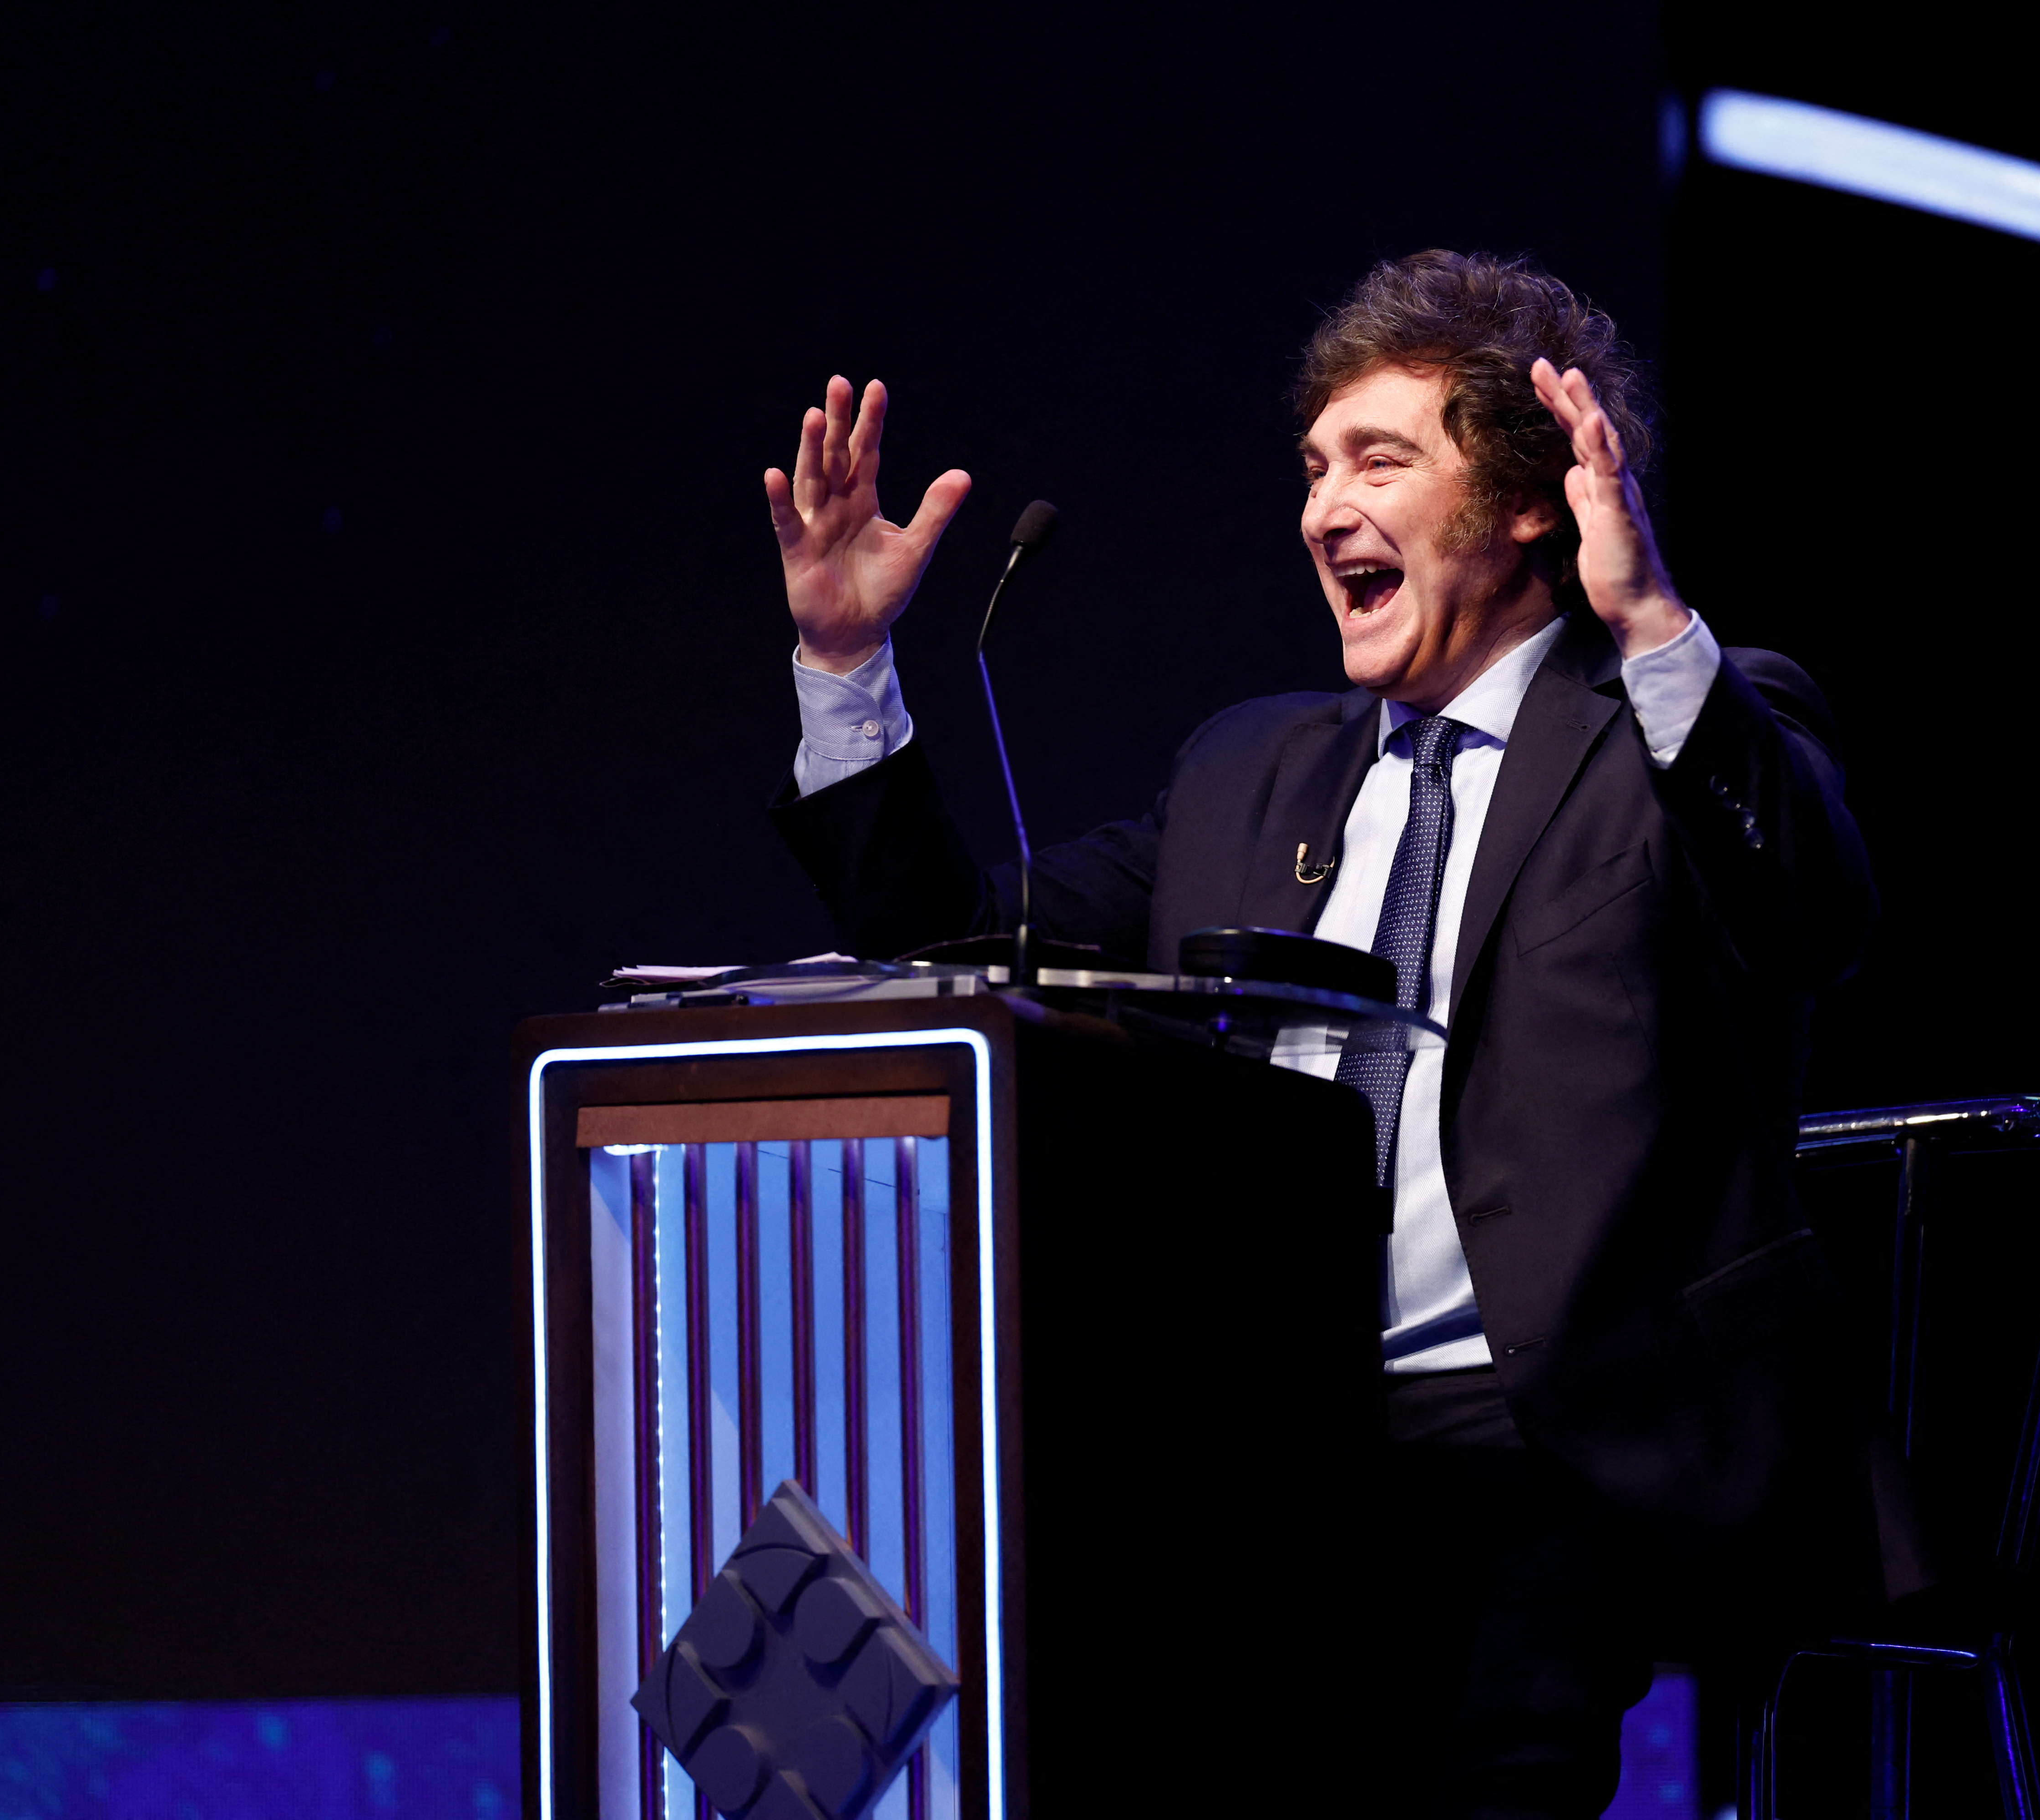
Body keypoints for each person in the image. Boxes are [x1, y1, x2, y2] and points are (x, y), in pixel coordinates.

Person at [762, 251, 1898, 1818]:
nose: (1322, 507)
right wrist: (845, 666)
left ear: (1528, 504)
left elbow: (1812, 918)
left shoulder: (1679, 724)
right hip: (1266, 1447)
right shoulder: (1252, 770)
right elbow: (962, 949)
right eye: (1312, 468)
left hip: (1557, 1449)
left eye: (1381, 460)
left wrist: (1647, 619)